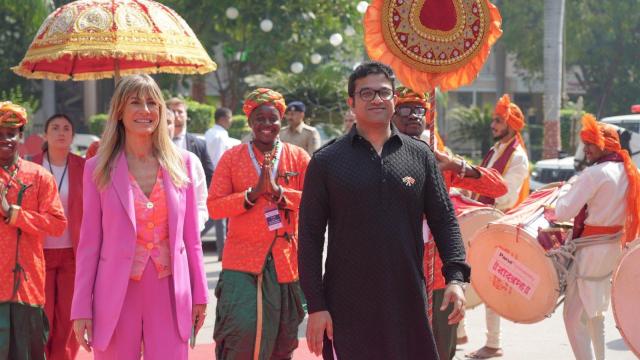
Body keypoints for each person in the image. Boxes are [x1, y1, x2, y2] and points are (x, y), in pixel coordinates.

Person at [298, 62, 470, 359]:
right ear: (351, 102)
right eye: (366, 93)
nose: (376, 99)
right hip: (347, 303)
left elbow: (444, 220)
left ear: (393, 100)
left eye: (383, 92)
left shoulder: (420, 156)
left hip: (407, 298)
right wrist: (316, 305)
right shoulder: (326, 161)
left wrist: (455, 278)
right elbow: (310, 238)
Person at [70, 75, 208, 359]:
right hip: (116, 292)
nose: (145, 110)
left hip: (170, 289)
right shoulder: (98, 168)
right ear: (119, 111)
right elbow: (89, 244)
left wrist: (200, 294)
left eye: (152, 103)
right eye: (135, 102)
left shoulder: (183, 164)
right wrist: (81, 306)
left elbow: (191, 239)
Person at [392, 87, 508, 360]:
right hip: (395, 271)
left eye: (419, 110)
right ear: (392, 116)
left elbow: (499, 188)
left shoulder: (439, 156)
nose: (413, 116)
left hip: (439, 273)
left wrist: (457, 166)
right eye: (405, 110)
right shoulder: (378, 153)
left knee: (441, 348)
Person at [208, 88, 309, 359]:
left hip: (285, 260)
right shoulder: (232, 157)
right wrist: (251, 195)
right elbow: (214, 207)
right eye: (260, 119)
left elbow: (316, 202)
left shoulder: (298, 157)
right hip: (241, 261)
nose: (267, 125)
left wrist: (279, 193)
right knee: (241, 331)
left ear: (282, 120)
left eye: (272, 119)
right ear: (250, 122)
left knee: (283, 337)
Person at [547, 114, 640, 360]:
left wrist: (566, 190)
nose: (585, 149)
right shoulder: (630, 171)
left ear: (604, 145)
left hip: (589, 253)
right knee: (595, 312)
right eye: (584, 143)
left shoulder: (594, 174)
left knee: (572, 316)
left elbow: (563, 211)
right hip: (613, 250)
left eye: (590, 144)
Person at [0, 101, 67, 360]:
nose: (5, 139)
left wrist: (13, 213)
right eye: (0, 133)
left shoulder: (38, 177)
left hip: (25, 286)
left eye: (11, 133)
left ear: (21, 136)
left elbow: (57, 224)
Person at [465, 94, 530, 359]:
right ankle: (459, 332)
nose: (493, 124)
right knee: (462, 273)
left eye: (498, 120)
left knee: (492, 282)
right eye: (493, 119)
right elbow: (481, 182)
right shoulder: (495, 150)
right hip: (482, 217)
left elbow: (507, 196)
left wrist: (478, 186)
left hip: (499, 222)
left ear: (511, 125)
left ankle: (494, 343)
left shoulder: (518, 158)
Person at [31, 114, 85, 360]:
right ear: (45, 134)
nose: (61, 132)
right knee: (43, 316)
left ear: (72, 135)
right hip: (38, 252)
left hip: (73, 253)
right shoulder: (31, 166)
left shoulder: (84, 167)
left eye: (66, 128)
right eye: (55, 128)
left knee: (68, 317)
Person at [167, 108, 209, 232]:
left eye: (168, 122)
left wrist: (193, 227)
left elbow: (201, 202)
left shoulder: (190, 158)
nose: (164, 127)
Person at [203, 107, 234, 260]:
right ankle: (222, 252)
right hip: (219, 178)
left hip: (208, 177)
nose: (231, 121)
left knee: (216, 215)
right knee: (219, 216)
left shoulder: (209, 133)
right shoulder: (221, 136)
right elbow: (222, 160)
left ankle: (222, 251)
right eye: (229, 118)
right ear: (223, 118)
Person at [167, 97, 214, 187]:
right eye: (172, 111)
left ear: (186, 115)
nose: (176, 115)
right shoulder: (155, 142)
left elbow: (209, 175)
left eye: (180, 112)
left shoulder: (199, 144)